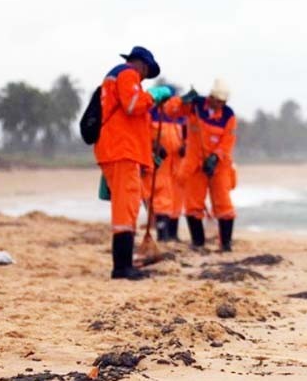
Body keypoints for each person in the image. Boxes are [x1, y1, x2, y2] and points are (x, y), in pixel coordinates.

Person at [94, 46, 173, 280]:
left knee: (128, 206)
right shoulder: (127, 73)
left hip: (122, 151)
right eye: (146, 72)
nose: (144, 78)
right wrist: (154, 95)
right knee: (125, 209)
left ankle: (124, 264)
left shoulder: (118, 77)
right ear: (141, 64)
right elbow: (133, 105)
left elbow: (133, 123)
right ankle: (121, 267)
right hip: (121, 151)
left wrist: (149, 154)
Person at [164, 78, 237, 251]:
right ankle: (198, 243)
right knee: (193, 205)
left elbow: (228, 141)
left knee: (224, 205)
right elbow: (170, 111)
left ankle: (226, 244)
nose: (220, 105)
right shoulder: (195, 106)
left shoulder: (228, 116)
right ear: (211, 97)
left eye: (223, 102)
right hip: (194, 165)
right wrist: (182, 99)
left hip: (219, 166)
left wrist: (215, 157)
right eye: (218, 101)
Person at [141, 103, 184, 242]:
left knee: (174, 202)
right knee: (159, 202)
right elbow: (141, 135)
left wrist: (185, 146)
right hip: (157, 166)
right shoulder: (149, 113)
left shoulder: (179, 117)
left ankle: (171, 235)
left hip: (175, 167)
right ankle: (162, 235)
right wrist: (154, 146)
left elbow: (186, 136)